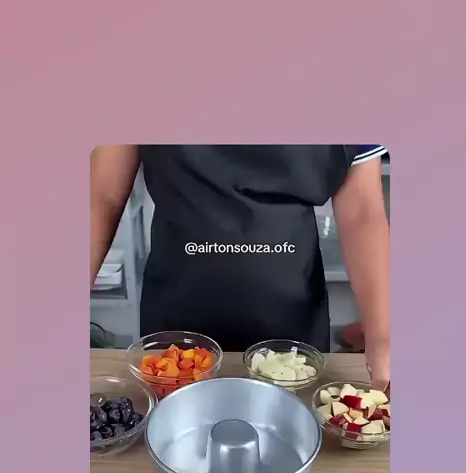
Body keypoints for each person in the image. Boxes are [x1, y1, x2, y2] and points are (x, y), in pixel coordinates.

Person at [91, 145, 390, 389]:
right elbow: (101, 195)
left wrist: (384, 335)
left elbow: (362, 210)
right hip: (176, 333)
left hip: (291, 335)